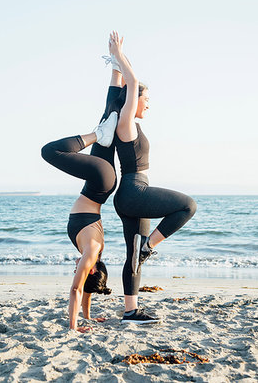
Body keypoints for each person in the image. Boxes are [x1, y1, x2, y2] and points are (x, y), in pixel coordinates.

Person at [108, 31, 197, 324]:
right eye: (147, 99)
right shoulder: (125, 122)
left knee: (132, 254)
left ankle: (130, 311)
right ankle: (149, 248)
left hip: (132, 195)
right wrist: (120, 57)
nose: (148, 103)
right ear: (134, 101)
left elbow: (125, 83)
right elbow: (132, 84)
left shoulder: (124, 121)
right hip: (134, 192)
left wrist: (118, 64)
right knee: (188, 206)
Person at [41, 61, 123, 333]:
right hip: (100, 181)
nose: (75, 267)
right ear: (91, 269)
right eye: (82, 269)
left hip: (98, 182)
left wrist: (89, 317)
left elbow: (86, 289)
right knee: (50, 152)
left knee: (108, 115)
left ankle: (117, 68)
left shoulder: (93, 256)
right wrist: (74, 326)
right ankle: (97, 134)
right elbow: (77, 289)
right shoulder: (91, 253)